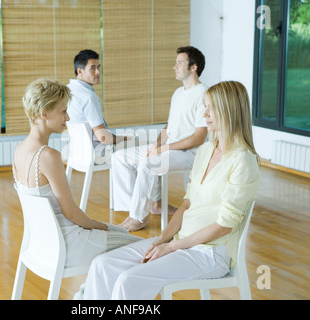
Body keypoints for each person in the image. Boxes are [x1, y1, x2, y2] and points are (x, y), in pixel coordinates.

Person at [81, 81, 261, 300]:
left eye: (211, 107)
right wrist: (162, 240)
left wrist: (173, 246)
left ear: (229, 109)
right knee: (103, 264)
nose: (204, 113)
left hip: (210, 253)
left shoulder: (243, 161)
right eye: (205, 106)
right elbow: (186, 204)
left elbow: (224, 226)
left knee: (130, 280)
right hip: (180, 240)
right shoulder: (205, 151)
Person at [12, 78, 142, 269]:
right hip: (68, 244)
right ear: (44, 113)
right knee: (140, 248)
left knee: (121, 233)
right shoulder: (48, 156)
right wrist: (98, 225)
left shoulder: (19, 150)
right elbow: (71, 212)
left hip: (43, 244)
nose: (68, 118)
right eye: (63, 112)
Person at [111, 46, 208, 232]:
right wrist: (155, 145)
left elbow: (198, 138)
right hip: (170, 147)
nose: (175, 66)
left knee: (149, 163)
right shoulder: (178, 93)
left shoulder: (204, 94)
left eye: (179, 62)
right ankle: (136, 209)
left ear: (193, 67)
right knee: (119, 157)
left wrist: (162, 150)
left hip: (189, 153)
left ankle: (138, 218)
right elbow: (168, 128)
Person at [67, 49, 129, 164]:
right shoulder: (88, 97)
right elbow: (104, 138)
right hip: (96, 153)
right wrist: (126, 138)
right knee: (140, 146)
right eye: (92, 68)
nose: (98, 72)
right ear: (79, 71)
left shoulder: (68, 89)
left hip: (78, 152)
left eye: (98, 67)